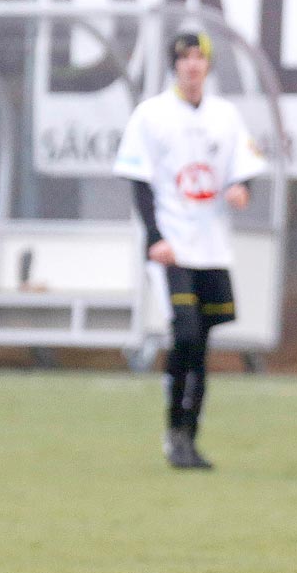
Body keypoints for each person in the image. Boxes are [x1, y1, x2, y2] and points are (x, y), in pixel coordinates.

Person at [113, 31, 266, 470]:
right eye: (184, 57)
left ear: (208, 65)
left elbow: (245, 167)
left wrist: (242, 188)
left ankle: (188, 436)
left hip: (212, 248)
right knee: (185, 333)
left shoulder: (225, 115)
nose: (192, 64)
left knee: (201, 345)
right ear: (173, 65)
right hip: (172, 248)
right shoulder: (152, 115)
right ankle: (173, 428)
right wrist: (154, 237)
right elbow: (139, 182)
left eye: (199, 56)